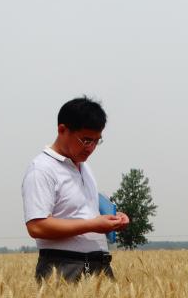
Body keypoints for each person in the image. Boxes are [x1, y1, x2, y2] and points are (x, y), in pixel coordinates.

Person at [22, 97, 129, 282]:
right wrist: (93, 225)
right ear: (62, 130)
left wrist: (113, 218)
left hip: (99, 264)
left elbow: (80, 212)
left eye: (96, 141)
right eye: (86, 140)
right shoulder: (41, 169)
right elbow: (37, 226)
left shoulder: (84, 167)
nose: (91, 148)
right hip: (63, 267)